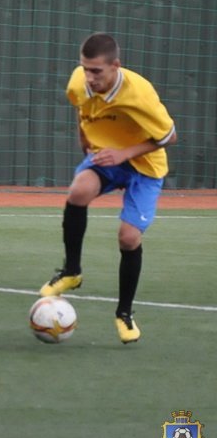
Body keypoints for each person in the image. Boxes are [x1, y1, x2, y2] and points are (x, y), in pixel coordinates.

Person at [39, 33, 177, 343]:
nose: (89, 77)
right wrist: (83, 138)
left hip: (145, 166)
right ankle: (71, 272)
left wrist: (124, 154)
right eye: (85, 68)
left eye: (97, 71)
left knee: (128, 238)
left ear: (116, 66)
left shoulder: (139, 93)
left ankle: (124, 313)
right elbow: (80, 107)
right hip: (106, 156)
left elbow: (170, 136)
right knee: (78, 191)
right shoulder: (78, 82)